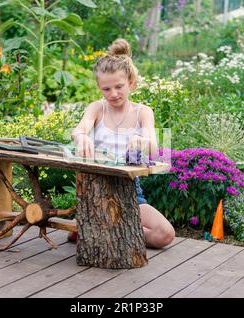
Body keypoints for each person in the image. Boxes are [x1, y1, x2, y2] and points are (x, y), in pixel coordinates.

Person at [70, 38, 175, 249]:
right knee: (81, 228)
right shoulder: (97, 109)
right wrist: (81, 137)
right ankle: (106, 225)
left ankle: (108, 227)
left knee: (164, 234)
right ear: (99, 88)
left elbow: (154, 149)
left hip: (130, 190)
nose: (113, 94)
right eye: (106, 89)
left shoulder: (143, 112)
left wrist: (142, 141)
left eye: (119, 87)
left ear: (131, 83)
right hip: (96, 188)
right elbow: (79, 129)